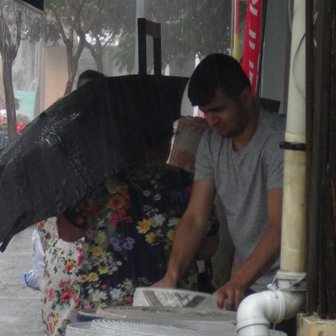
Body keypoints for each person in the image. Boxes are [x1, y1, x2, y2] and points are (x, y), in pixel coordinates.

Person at [54, 119, 218, 332]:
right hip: (171, 306)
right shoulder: (187, 184)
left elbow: (67, 233)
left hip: (107, 306)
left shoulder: (97, 183)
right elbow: (209, 247)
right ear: (168, 141)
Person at [154, 53, 286, 314]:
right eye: (205, 112)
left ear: (245, 97)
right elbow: (194, 218)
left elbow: (280, 227)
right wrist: (171, 275)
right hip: (252, 283)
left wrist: (237, 282)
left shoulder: (277, 140)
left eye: (218, 109)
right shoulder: (211, 143)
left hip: (291, 285)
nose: (211, 120)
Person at [36, 70, 105, 336]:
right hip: (94, 264)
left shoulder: (54, 141)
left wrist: (52, 242)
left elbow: (42, 214)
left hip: (61, 258)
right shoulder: (115, 145)